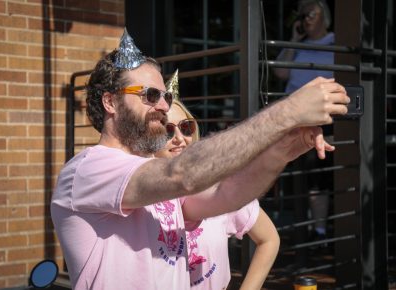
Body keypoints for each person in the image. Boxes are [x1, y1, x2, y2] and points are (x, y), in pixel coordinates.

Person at [51, 28, 349, 290]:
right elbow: (184, 175)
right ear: (111, 102)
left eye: (165, 97)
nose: (163, 106)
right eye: (149, 95)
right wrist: (288, 112)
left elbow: (227, 194)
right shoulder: (88, 169)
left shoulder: (154, 172)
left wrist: (283, 148)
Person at [155, 71, 280, 290]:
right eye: (166, 131)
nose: (179, 138)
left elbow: (269, 240)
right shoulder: (142, 194)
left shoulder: (217, 185)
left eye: (185, 127)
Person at [273, 0, 334, 240]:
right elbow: (280, 71)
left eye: (311, 13)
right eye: (303, 14)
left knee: (317, 176)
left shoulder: (335, 42)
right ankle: (298, 228)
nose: (306, 18)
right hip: (292, 119)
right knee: (293, 174)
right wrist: (294, 39)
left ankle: (318, 232)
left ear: (324, 17)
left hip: (321, 117)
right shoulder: (298, 45)